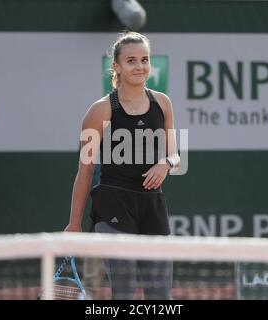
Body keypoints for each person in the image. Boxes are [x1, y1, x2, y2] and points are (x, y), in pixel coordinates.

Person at [64, 31, 180, 300]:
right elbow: (85, 170)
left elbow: (175, 155)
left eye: (144, 60)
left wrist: (165, 162)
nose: (139, 66)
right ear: (116, 66)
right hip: (113, 204)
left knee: (160, 296)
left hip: (153, 205)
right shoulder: (100, 110)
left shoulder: (163, 103)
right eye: (131, 61)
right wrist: (74, 224)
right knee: (124, 292)